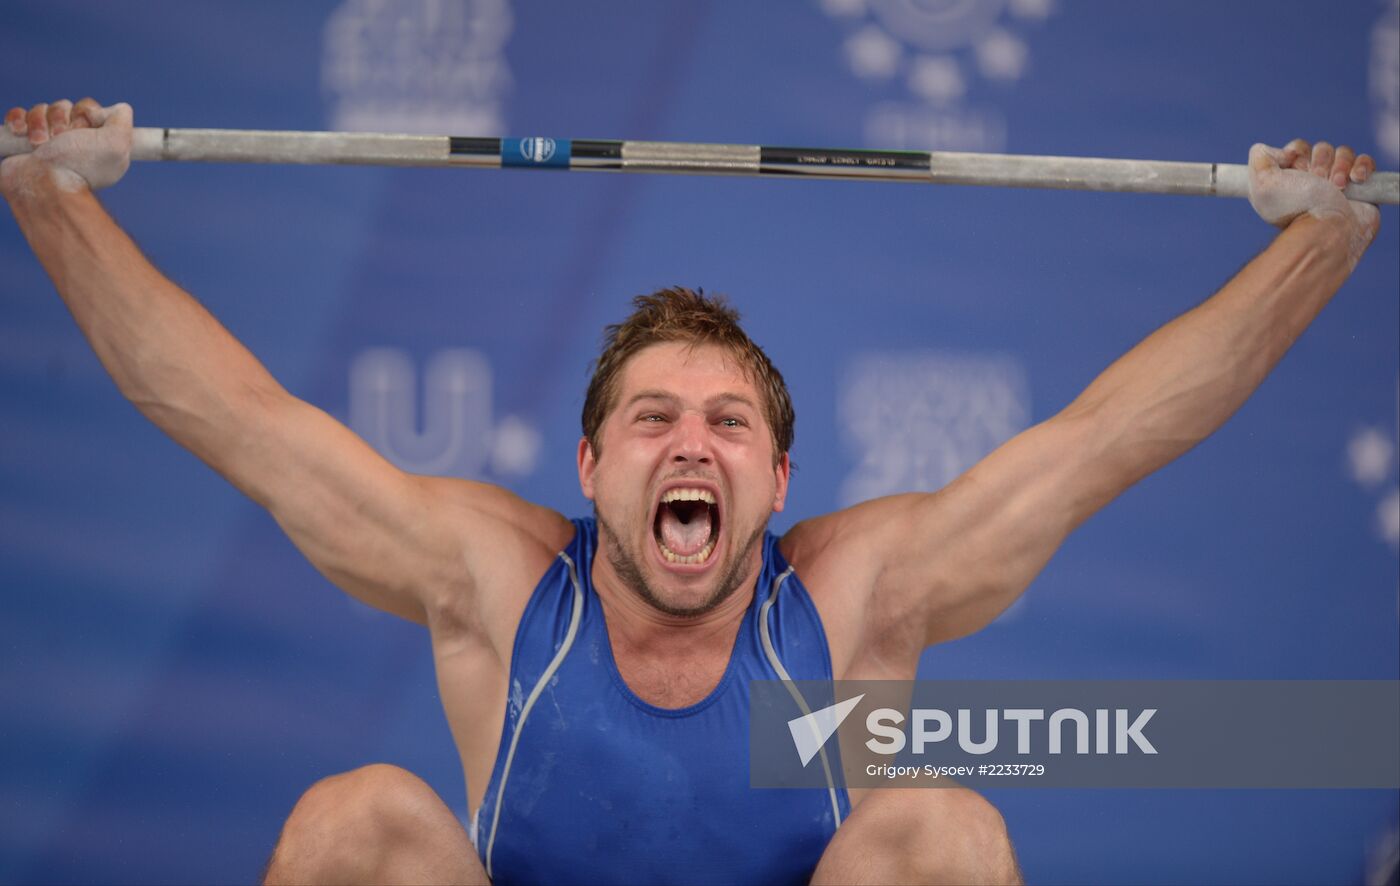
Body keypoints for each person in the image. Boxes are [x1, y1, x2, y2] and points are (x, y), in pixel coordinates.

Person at [1, 97, 1381, 886]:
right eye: (652, 418)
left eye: (728, 424)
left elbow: (1106, 438)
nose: (691, 445)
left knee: (945, 833)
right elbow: (237, 418)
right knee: (355, 821)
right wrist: (52, 198)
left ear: (778, 480)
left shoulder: (850, 599)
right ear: (591, 466)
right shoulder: (497, 580)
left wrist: (1316, 247)